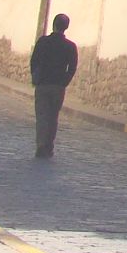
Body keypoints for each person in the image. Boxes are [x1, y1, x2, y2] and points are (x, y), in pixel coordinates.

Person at [29, 13, 79, 158]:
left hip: (43, 84)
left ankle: (41, 145)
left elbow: (34, 61)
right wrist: (65, 82)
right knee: (53, 116)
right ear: (66, 27)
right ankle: (49, 145)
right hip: (58, 86)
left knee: (42, 116)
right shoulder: (70, 46)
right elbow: (72, 67)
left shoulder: (43, 42)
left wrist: (35, 77)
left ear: (53, 25)